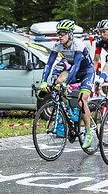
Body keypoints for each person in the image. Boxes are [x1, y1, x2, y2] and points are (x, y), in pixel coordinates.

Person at [40, 19, 95, 148]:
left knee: (82, 101)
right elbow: (49, 64)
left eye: (63, 33)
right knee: (58, 83)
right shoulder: (58, 45)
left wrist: (67, 83)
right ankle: (68, 111)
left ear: (71, 34)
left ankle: (88, 133)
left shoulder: (78, 45)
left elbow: (76, 66)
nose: (60, 36)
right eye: (58, 33)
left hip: (86, 72)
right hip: (73, 71)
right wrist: (44, 81)